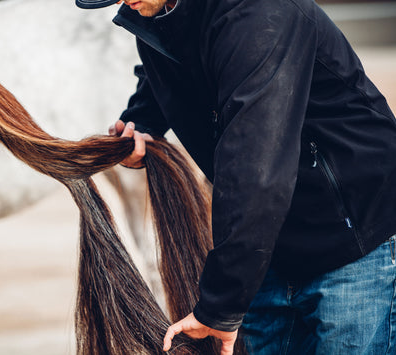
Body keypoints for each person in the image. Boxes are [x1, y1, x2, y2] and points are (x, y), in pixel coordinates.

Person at [75, 0, 396, 353]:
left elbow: (255, 164)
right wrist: (144, 123)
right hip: (267, 245)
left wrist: (221, 306)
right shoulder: (160, 14)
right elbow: (168, 63)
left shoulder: (261, 14)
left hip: (355, 238)